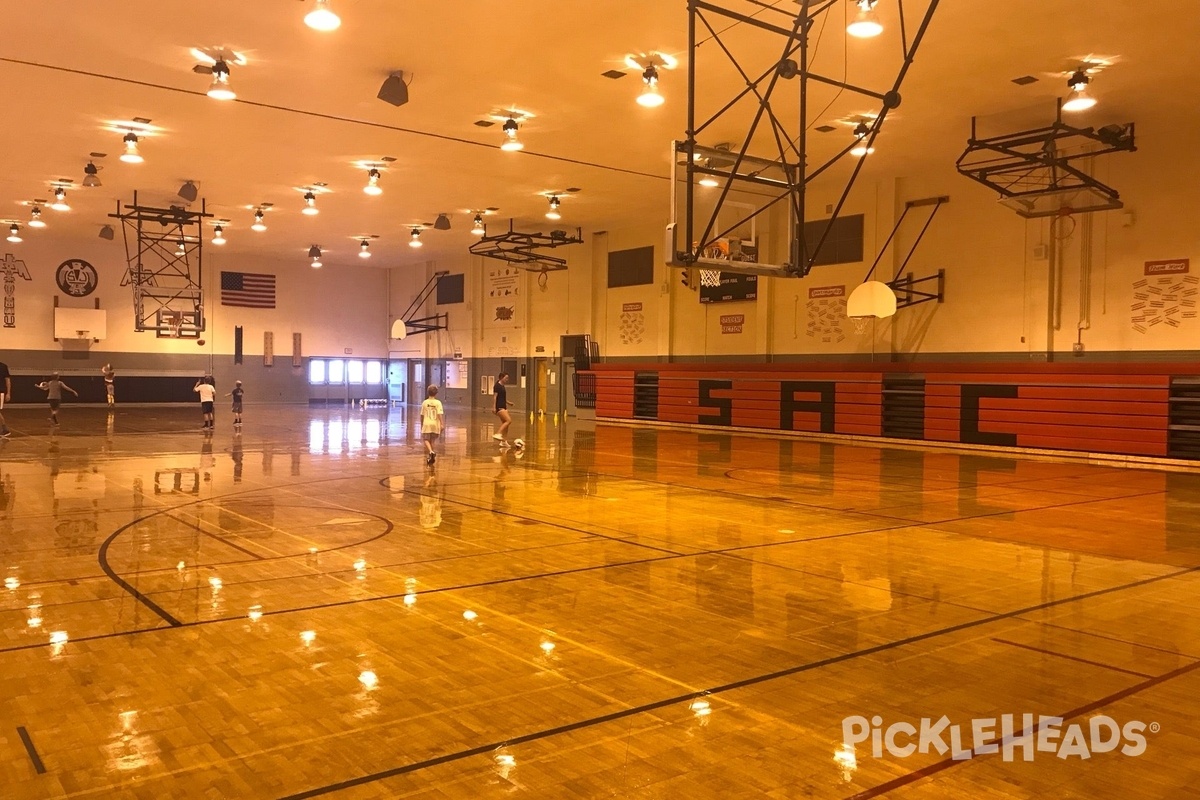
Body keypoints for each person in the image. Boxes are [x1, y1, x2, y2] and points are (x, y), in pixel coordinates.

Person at [421, 384, 444, 465]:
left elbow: (422, 415)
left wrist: (421, 424)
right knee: (433, 440)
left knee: (426, 439)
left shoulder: (424, 402)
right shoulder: (438, 403)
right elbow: (439, 414)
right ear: (436, 393)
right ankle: (431, 454)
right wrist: (442, 424)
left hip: (427, 424)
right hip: (435, 424)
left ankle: (431, 452)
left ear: (428, 393)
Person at [492, 372, 515, 447]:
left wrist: (508, 403)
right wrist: (494, 407)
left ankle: (504, 441)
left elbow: (502, 398)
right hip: (499, 407)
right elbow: (495, 397)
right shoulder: (497, 386)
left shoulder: (502, 386)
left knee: (505, 424)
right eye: (506, 378)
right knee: (508, 420)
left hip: (504, 406)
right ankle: (498, 433)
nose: (507, 380)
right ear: (501, 377)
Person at [0, 359, 10, 437]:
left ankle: (5, 428)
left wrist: (8, 393)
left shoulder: (3, 366)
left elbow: (8, 381)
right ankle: (4, 428)